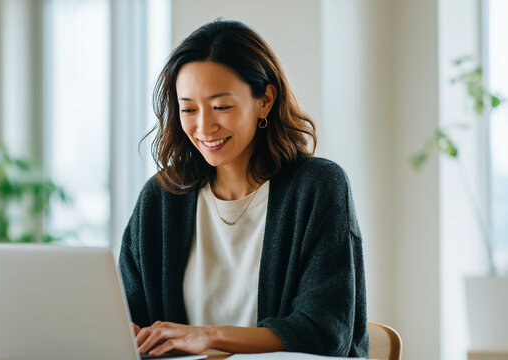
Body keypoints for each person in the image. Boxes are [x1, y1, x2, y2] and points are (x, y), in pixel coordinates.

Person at [119, 19, 368, 358]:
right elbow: (130, 319)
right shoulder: (162, 197)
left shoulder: (319, 187)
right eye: (189, 109)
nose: (204, 126)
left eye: (221, 106)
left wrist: (207, 337)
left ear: (265, 100)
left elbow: (325, 331)